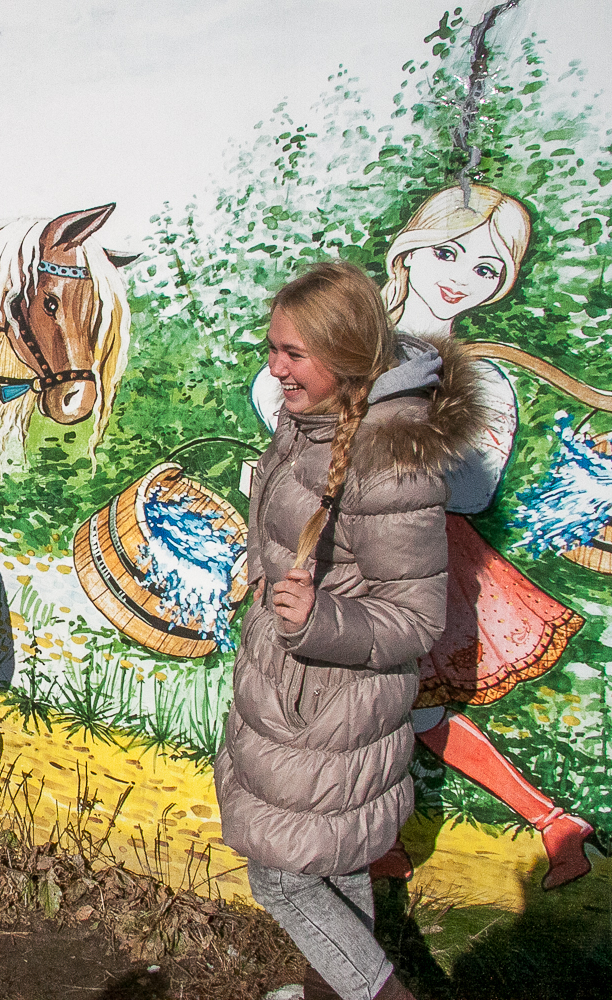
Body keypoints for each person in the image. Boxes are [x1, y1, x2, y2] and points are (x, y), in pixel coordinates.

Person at [251, 184, 595, 891]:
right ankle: (531, 822)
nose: (460, 277)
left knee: (402, 705)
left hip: (407, 557)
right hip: (331, 554)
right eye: (446, 252)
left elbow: (471, 492)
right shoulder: (330, 345)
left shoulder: (476, 379)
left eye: (486, 267)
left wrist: (398, 456)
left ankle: (512, 823)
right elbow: (279, 410)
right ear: (409, 250)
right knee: (395, 710)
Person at [215, 261, 484, 1000]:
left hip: (333, 699)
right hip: (294, 684)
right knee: (333, 863)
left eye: (292, 353)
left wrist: (320, 620)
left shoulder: (390, 462)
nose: (275, 368)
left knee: (282, 877)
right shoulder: (310, 420)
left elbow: (416, 616)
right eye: (272, 349)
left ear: (344, 354)